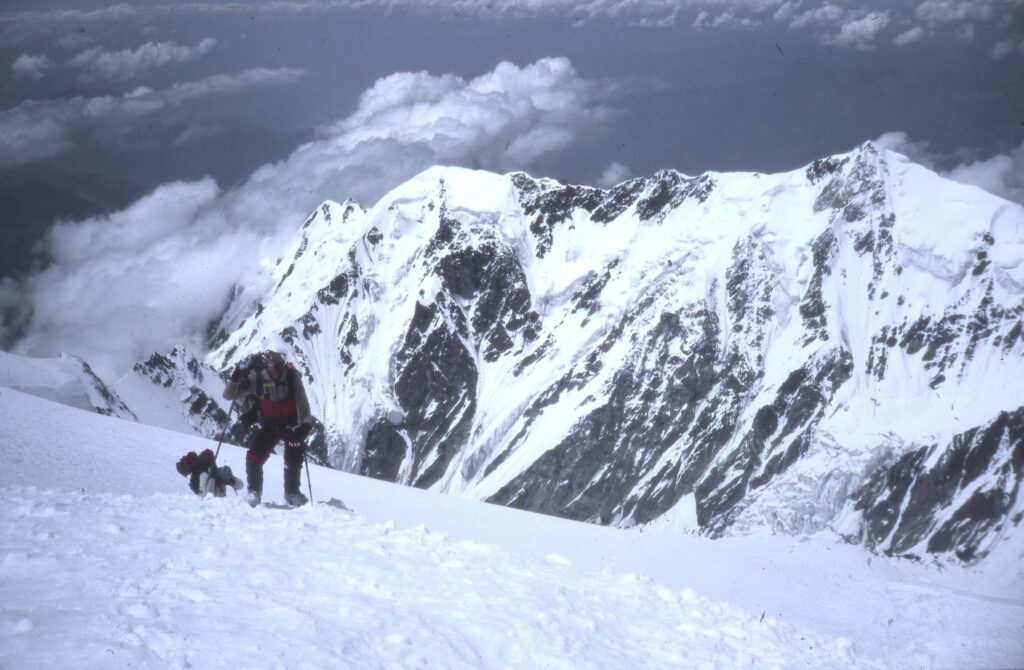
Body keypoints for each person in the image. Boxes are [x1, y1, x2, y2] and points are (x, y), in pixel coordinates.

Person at [223, 350, 313, 507]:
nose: (274, 371)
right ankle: (255, 492)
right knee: (254, 457)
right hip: (271, 424)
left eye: (277, 367)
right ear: (266, 367)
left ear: (282, 365)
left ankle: (291, 493)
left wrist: (305, 424)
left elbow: (302, 403)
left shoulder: (292, 378)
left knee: (293, 458)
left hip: (290, 424)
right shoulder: (257, 378)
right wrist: (235, 377)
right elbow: (228, 395)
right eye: (271, 367)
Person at [176, 449, 243, 497]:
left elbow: (209, 453)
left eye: (189, 462)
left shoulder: (194, 480)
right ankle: (229, 480)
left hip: (218, 488)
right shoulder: (194, 481)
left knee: (225, 476)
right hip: (218, 489)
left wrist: (212, 467)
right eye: (188, 464)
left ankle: (229, 480)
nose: (190, 464)